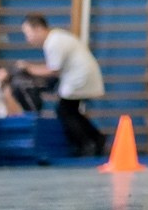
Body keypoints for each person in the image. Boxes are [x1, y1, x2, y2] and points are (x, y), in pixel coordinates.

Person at [18, 15, 108, 157]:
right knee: (70, 110)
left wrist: (28, 68)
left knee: (64, 110)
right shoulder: (56, 38)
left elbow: (53, 70)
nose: (28, 39)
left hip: (79, 78)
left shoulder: (54, 42)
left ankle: (87, 143)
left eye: (28, 33)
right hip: (78, 77)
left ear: (39, 29)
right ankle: (96, 138)